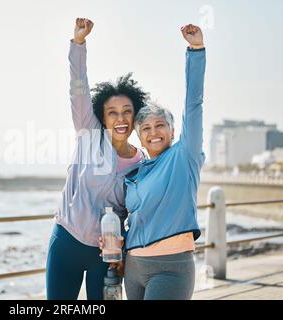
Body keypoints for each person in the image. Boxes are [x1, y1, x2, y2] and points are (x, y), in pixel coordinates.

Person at [45, 17, 148, 300]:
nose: (120, 118)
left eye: (126, 111)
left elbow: (139, 216)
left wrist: (124, 251)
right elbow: (78, 87)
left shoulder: (143, 164)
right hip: (66, 240)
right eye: (112, 112)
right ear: (102, 117)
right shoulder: (89, 134)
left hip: (106, 253)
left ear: (135, 115)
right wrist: (79, 44)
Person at [118, 24, 207, 300]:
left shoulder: (183, 156)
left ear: (172, 130)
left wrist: (196, 51)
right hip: (132, 268)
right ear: (140, 138)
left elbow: (194, 104)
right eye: (146, 129)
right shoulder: (135, 174)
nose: (154, 132)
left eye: (160, 126)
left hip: (171, 267)